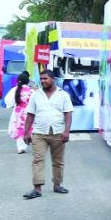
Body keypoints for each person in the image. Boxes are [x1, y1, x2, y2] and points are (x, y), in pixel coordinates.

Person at [22, 69, 73, 199]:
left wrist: (67, 131)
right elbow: (30, 114)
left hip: (58, 132)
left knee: (58, 161)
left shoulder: (63, 95)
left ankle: (57, 185)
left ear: (53, 79)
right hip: (39, 132)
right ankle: (37, 189)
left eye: (46, 79)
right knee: (38, 160)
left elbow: (68, 113)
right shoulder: (36, 95)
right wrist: (26, 131)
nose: (43, 81)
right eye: (42, 79)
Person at [7, 71, 34, 153]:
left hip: (18, 113)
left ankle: (20, 148)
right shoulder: (32, 91)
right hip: (29, 113)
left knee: (19, 129)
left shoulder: (14, 90)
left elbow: (8, 101)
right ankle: (28, 142)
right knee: (29, 128)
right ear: (28, 81)